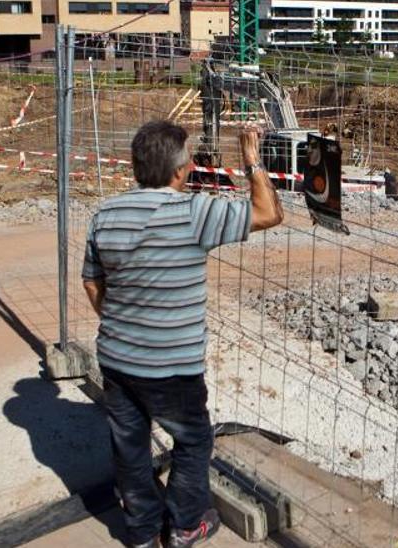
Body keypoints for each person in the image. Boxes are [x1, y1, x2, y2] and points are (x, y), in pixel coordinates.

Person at [81, 121, 283, 548]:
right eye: (189, 160)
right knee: (194, 440)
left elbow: (92, 284)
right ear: (179, 172)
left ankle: (141, 532)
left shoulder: (104, 216)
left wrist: (126, 325)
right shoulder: (194, 213)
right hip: (173, 367)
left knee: (129, 445)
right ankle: (186, 524)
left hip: (117, 358)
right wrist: (251, 160)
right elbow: (269, 213)